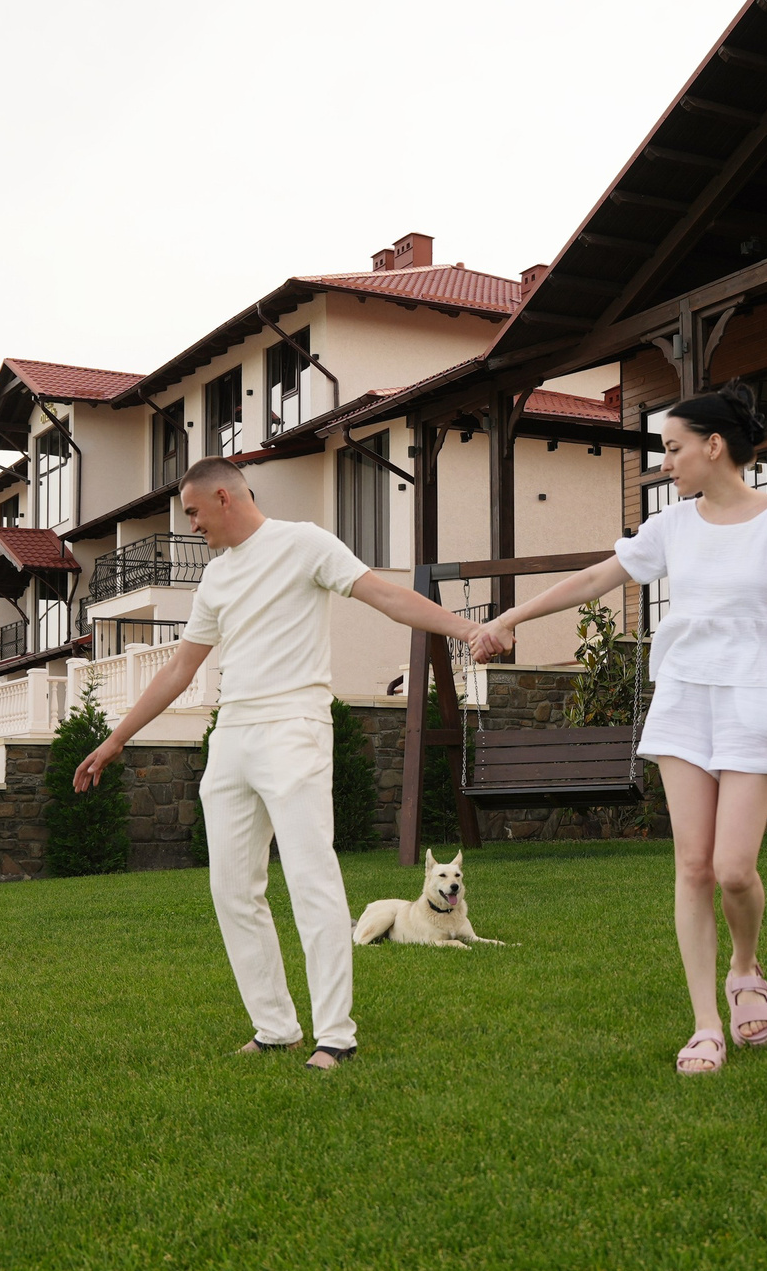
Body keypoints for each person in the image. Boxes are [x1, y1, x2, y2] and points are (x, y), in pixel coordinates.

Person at [75, 454, 491, 1070]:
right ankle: (275, 1027)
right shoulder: (215, 578)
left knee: (310, 879)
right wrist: (115, 740)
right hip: (233, 734)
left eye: (193, 511)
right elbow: (179, 667)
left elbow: (385, 595)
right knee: (231, 890)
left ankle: (336, 1035)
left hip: (294, 725)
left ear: (224, 497)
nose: (191, 525)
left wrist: (465, 629)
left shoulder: (304, 544)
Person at [471, 381, 767, 1075]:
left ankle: (746, 967)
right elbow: (594, 580)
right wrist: (509, 619)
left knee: (734, 868)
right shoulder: (672, 527)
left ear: (713, 445)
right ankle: (705, 1025)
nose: (664, 463)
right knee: (693, 865)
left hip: (756, 696)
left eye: (672, 448)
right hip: (685, 700)